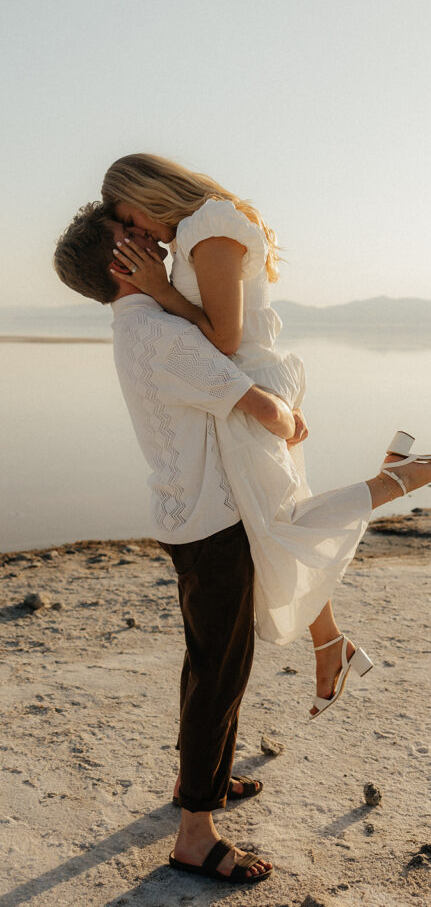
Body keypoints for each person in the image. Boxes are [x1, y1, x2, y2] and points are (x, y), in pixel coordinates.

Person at [101, 153, 431, 718]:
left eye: (133, 220)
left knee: (276, 529)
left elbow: (223, 338)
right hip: (238, 388)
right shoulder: (201, 230)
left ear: (149, 192)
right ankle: (330, 645)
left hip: (244, 391)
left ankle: (394, 480)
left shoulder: (209, 228)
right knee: (272, 531)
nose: (139, 235)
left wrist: (160, 292)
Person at [53, 202, 290, 884]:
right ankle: (195, 832)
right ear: (118, 265)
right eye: (135, 238)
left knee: (209, 662)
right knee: (220, 671)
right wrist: (290, 413)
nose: (157, 240)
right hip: (213, 522)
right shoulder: (163, 336)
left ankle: (206, 781)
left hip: (185, 514)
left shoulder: (139, 329)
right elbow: (267, 410)